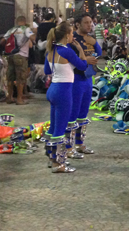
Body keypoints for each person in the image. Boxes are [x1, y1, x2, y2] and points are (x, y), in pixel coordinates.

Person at [43, 22, 87, 173]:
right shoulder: (67, 51)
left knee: (53, 127)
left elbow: (46, 69)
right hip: (63, 91)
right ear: (67, 35)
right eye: (72, 33)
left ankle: (51, 158)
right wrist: (81, 50)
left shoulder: (51, 49)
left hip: (53, 89)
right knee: (60, 130)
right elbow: (82, 66)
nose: (73, 35)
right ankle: (59, 164)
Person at [67, 13, 102, 159]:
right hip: (76, 79)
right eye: (86, 23)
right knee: (72, 115)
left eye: (91, 22)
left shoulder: (90, 38)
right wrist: (85, 59)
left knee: (83, 114)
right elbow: (68, 57)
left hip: (88, 79)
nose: (90, 25)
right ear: (78, 24)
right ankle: (68, 147)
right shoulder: (72, 39)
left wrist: (93, 43)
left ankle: (80, 144)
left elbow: (99, 53)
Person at [0, 16, 35, 105]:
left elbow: (1, 41)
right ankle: (19, 99)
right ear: (24, 21)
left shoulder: (12, 29)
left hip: (11, 56)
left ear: (17, 21)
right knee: (21, 78)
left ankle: (9, 97)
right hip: (21, 56)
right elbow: (32, 38)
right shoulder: (26, 29)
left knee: (10, 78)